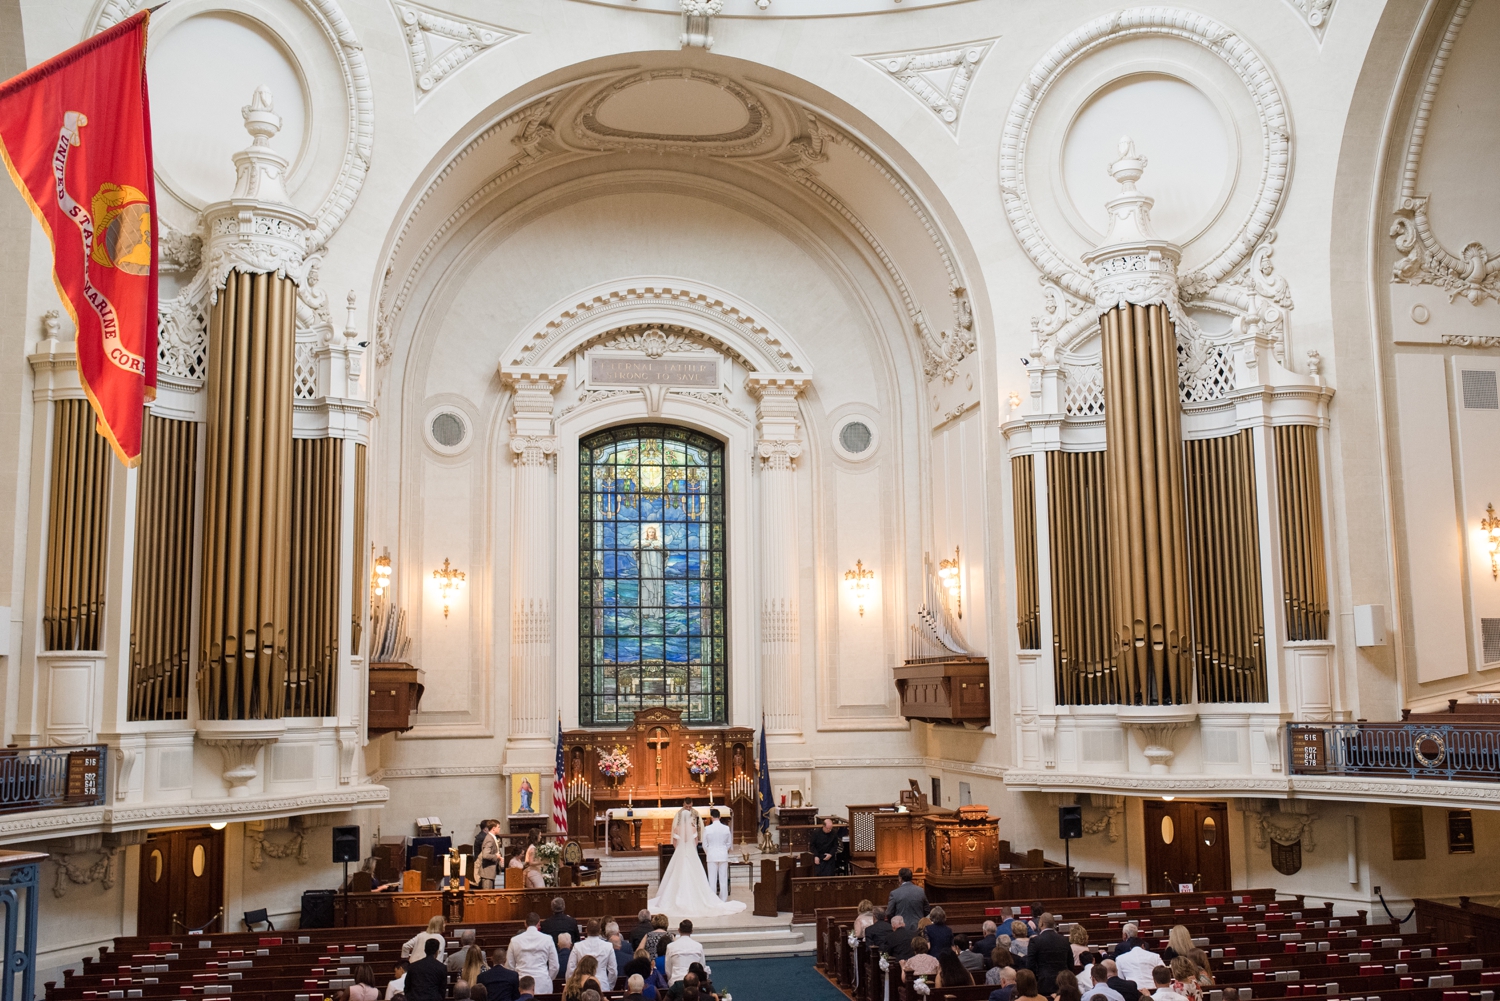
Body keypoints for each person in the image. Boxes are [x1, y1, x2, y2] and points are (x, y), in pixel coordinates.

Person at [650, 801, 746, 917]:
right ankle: (720, 899)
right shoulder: (695, 828)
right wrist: (690, 850)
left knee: (680, 877)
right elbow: (696, 843)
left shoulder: (677, 828)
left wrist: (681, 850)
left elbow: (675, 843)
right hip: (702, 855)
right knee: (717, 878)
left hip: (684, 854)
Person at [506, 912, 561, 991]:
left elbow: (509, 966)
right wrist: (547, 977)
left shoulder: (515, 940)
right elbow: (555, 966)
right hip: (543, 982)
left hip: (521, 982)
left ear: (525, 923)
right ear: (538, 923)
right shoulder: (547, 939)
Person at [1024, 912, 1072, 994]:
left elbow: (1030, 965)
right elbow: (1070, 963)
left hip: (1043, 983)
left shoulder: (1035, 941)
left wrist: (1037, 979)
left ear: (1041, 923)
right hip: (1063, 982)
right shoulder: (1064, 940)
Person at [567, 918, 618, 990]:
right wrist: (609, 986)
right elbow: (613, 971)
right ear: (600, 931)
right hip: (602, 986)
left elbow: (571, 969)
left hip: (582, 985)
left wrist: (571, 986)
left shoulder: (577, 946)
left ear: (586, 930)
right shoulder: (608, 946)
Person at [701, 809, 733, 901]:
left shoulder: (707, 828)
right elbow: (729, 843)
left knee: (712, 879)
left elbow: (704, 844)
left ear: (711, 817)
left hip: (711, 855)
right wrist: (723, 850)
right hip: (723, 855)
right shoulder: (726, 828)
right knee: (723, 879)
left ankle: (713, 899)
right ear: (720, 817)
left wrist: (709, 852)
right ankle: (723, 899)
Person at [664, 920, 709, 984]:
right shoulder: (698, 946)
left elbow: (668, 970)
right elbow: (702, 966)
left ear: (679, 930)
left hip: (676, 981)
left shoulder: (671, 946)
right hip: (694, 983)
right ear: (692, 931)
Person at [478, 820, 502, 888]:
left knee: (491, 896)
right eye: (498, 827)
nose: (499, 828)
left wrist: (499, 857)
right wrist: (496, 856)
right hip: (487, 874)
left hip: (490, 873)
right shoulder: (489, 839)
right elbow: (485, 855)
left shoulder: (492, 838)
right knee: (487, 896)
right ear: (493, 828)